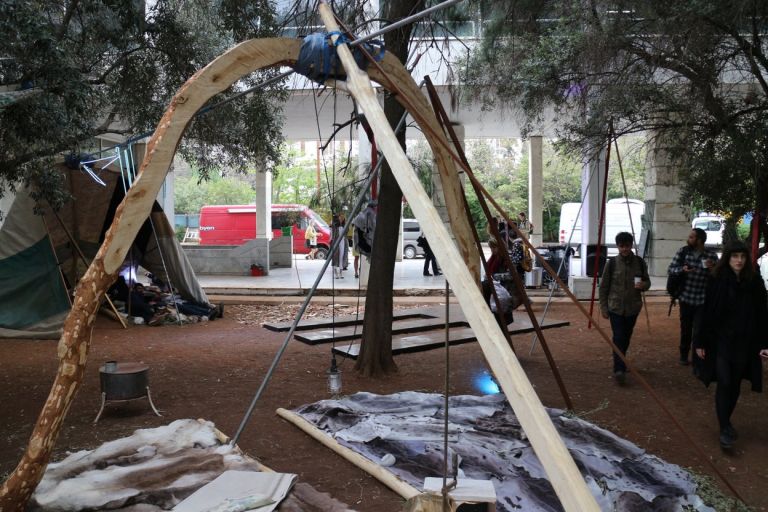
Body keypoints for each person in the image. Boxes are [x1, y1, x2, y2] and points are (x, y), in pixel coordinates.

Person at [693, 241, 768, 449]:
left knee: (734, 383)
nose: (739, 261)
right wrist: (699, 341)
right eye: (735, 256)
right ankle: (725, 426)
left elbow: (763, 313)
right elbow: (705, 311)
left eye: (742, 257)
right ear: (728, 258)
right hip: (720, 340)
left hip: (745, 340)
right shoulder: (716, 279)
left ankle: (726, 423)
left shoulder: (754, 282)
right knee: (725, 380)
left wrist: (764, 342)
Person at [599, 232, 651, 384]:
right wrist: (603, 308)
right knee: (618, 337)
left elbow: (647, 282)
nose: (624, 249)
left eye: (627, 246)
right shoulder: (612, 263)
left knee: (626, 338)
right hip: (615, 307)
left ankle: (622, 361)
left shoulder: (640, 263)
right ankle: (619, 369)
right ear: (617, 246)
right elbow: (603, 287)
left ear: (631, 245)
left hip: (633, 308)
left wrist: (644, 285)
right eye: (621, 246)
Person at [667, 228, 719, 365]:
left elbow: (719, 276)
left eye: (691, 237)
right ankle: (684, 354)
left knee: (699, 329)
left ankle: (697, 357)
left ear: (699, 240)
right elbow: (671, 269)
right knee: (686, 328)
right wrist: (681, 270)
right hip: (685, 297)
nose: (688, 239)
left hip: (703, 299)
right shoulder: (683, 252)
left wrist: (712, 268)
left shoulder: (711, 256)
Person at [330, 214, 347, 279]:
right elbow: (331, 227)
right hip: (335, 243)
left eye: (342, 218)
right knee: (335, 257)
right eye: (340, 218)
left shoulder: (344, 226)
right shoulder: (334, 226)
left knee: (341, 257)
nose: (341, 219)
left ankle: (340, 273)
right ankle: (336, 273)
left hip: (342, 243)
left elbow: (345, 234)